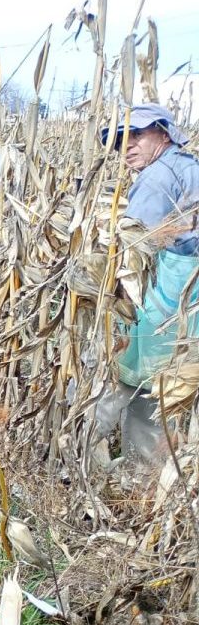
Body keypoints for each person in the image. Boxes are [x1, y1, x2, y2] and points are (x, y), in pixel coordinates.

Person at [101, 103, 199, 461]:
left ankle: (133, 471)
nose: (126, 146)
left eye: (136, 135)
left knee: (139, 377)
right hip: (187, 293)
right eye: (120, 140)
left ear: (164, 132)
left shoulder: (158, 178)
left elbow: (134, 245)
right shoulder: (188, 166)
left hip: (165, 291)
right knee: (173, 379)